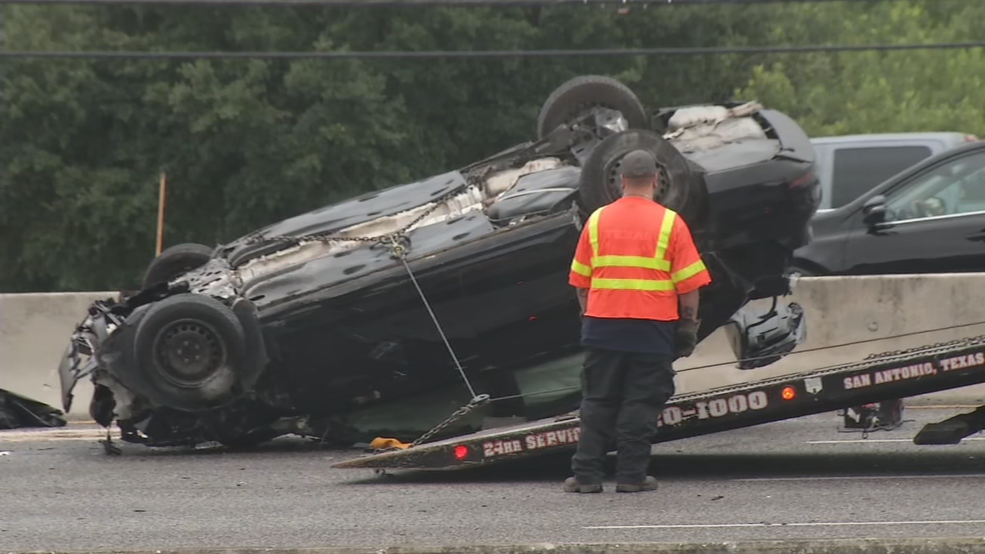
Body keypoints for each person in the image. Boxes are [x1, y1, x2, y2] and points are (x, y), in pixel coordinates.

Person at [563, 149, 712, 494]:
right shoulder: (671, 223)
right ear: (657, 181)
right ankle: (631, 476)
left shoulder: (597, 221)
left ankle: (586, 476)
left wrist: (588, 318)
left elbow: (581, 283)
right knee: (641, 403)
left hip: (603, 325)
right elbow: (689, 286)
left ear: (621, 180)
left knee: (598, 401)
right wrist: (688, 327)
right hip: (652, 328)